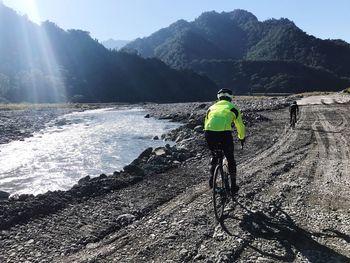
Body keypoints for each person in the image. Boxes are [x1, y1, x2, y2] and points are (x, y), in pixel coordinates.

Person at [204, 88, 246, 194]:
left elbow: (206, 123)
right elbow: (240, 125)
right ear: (230, 98)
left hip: (209, 133)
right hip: (224, 134)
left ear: (218, 98)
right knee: (230, 158)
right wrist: (241, 137)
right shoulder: (233, 108)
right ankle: (233, 186)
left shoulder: (211, 108)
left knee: (215, 155)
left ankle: (211, 180)